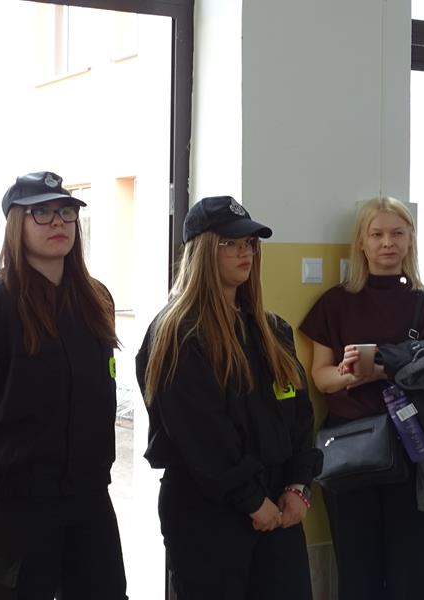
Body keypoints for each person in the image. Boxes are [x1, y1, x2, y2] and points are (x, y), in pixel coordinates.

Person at [0, 171, 127, 600]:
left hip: (87, 493)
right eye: (42, 213)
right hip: (12, 502)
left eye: (66, 212)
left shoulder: (95, 299)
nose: (58, 222)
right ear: (18, 223)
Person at [136, 195, 322, 600]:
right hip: (211, 512)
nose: (245, 253)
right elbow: (201, 434)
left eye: (249, 244)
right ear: (203, 251)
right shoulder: (178, 333)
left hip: (278, 504)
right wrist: (252, 500)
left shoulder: (271, 330)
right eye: (231, 243)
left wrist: (298, 485)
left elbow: (300, 416)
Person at [300, 196, 424, 600]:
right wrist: (349, 374)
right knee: (357, 575)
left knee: (411, 575)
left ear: (410, 239)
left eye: (397, 233)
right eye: (377, 234)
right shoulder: (335, 303)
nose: (387, 242)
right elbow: (320, 377)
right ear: (361, 241)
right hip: (351, 453)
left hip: (417, 453)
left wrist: (384, 368)